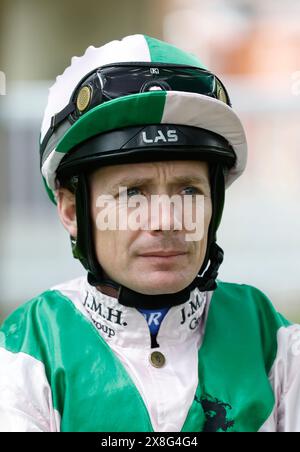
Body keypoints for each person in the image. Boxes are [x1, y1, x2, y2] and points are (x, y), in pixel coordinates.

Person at [0, 34, 299, 433]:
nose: (166, 220)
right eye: (132, 193)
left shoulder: (273, 342)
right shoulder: (24, 355)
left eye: (189, 190)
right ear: (73, 211)